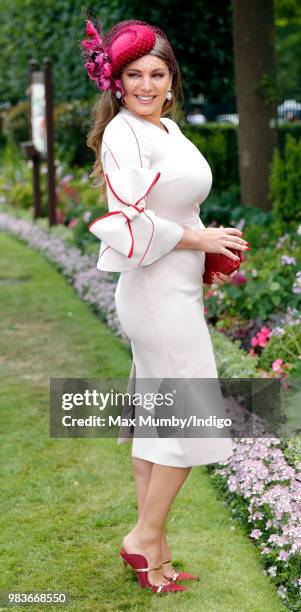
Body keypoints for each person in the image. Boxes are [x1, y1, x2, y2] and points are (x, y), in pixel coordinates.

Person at [81, 18, 249, 595]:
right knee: (191, 412)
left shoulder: (169, 131)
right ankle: (141, 539)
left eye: (157, 73)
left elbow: (179, 209)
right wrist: (197, 241)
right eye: (134, 75)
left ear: (172, 80)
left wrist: (209, 253)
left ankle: (157, 558)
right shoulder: (122, 134)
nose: (147, 85)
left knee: (158, 418)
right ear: (117, 82)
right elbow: (124, 219)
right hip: (152, 293)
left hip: (174, 286)